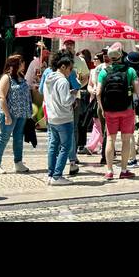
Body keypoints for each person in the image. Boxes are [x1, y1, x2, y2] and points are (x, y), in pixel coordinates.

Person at [96, 43, 139, 181]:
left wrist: (102, 109)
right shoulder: (130, 71)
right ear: (121, 55)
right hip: (127, 109)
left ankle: (109, 171)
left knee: (110, 139)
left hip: (110, 110)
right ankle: (124, 170)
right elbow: (138, 90)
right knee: (126, 140)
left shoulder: (104, 72)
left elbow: (98, 92)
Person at [0, 54, 31, 174]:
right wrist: (7, 115)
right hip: (9, 113)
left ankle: (18, 162)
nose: (24, 64)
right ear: (15, 65)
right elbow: (2, 97)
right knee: (4, 137)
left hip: (22, 113)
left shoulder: (21, 76)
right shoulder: (6, 78)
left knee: (18, 138)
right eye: (22, 62)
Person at [41, 51, 77, 184]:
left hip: (52, 117)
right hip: (63, 118)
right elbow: (66, 101)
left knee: (53, 146)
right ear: (63, 66)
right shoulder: (62, 81)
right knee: (65, 147)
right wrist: (73, 95)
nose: (70, 71)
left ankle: (50, 174)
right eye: (70, 68)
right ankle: (57, 175)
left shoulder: (48, 78)